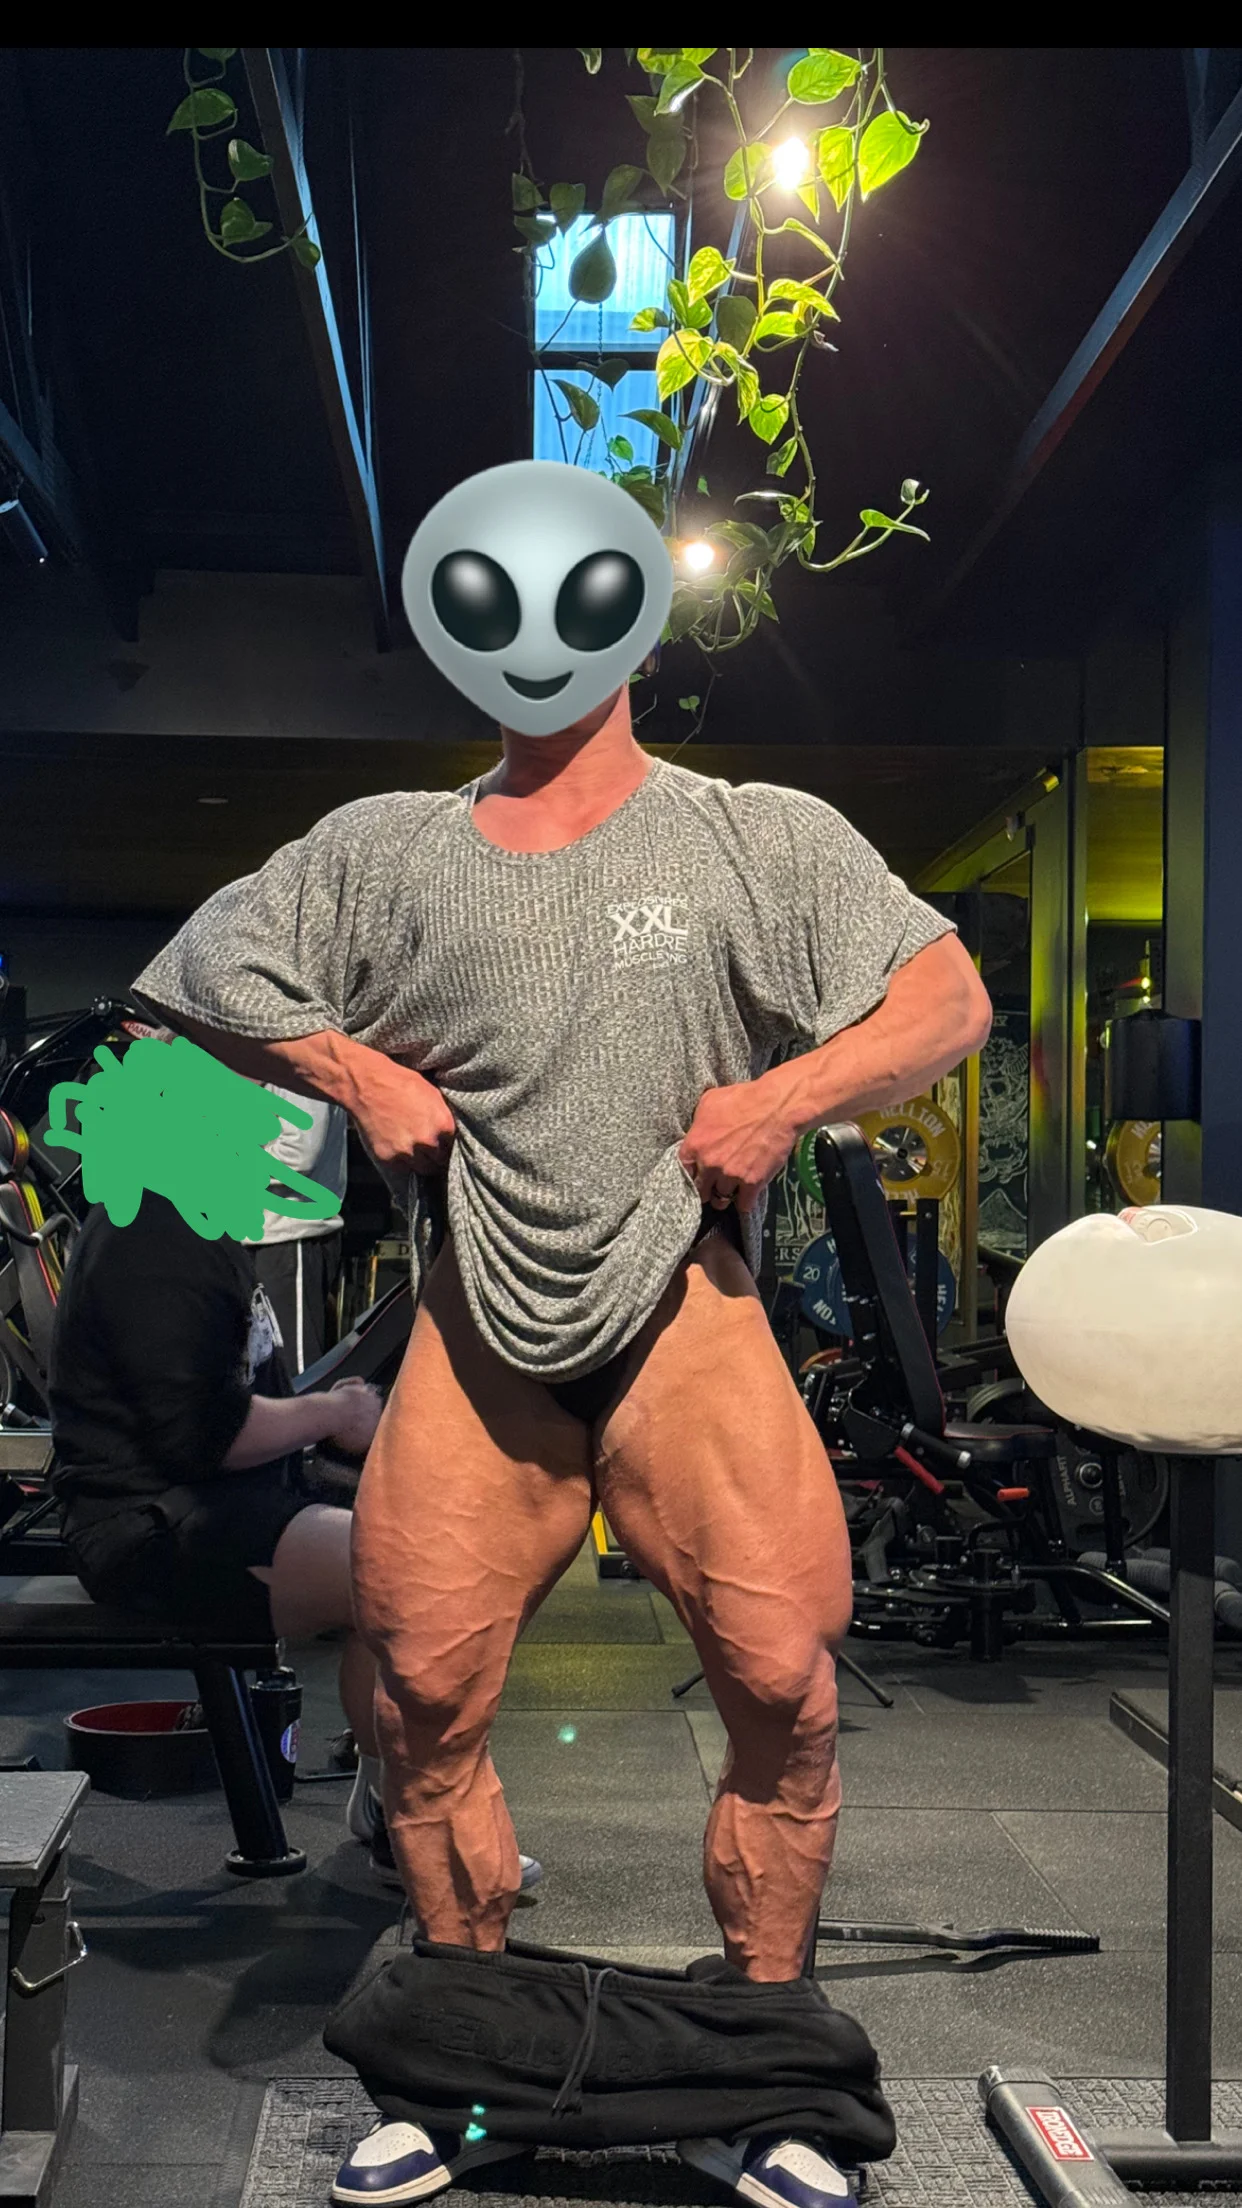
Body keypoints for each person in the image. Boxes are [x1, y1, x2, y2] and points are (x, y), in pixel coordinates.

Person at [134, 461, 992, 2208]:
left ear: (636, 624)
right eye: (492, 603)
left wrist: (783, 1098)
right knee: (420, 1695)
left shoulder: (752, 834)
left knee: (781, 1687)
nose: (533, 637)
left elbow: (945, 994)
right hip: (480, 1321)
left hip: (686, 1310)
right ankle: (461, 2075)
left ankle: (769, 2083)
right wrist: (352, 1068)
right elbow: (204, 971)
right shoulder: (382, 852)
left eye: (574, 600)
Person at [46, 1172, 395, 1860]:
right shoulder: (150, 1228)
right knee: (404, 1572)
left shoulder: (190, 1214)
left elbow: (225, 1398)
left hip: (209, 1499)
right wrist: (332, 1413)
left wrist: (329, 1422)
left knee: (423, 1540)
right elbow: (205, 1436)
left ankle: (394, 1802)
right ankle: (421, 1819)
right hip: (143, 1531)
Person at [249, 1086, 348, 1376]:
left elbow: (300, 1153)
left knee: (294, 1371)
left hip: (291, 1236)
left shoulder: (300, 1073)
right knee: (260, 1369)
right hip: (264, 1235)